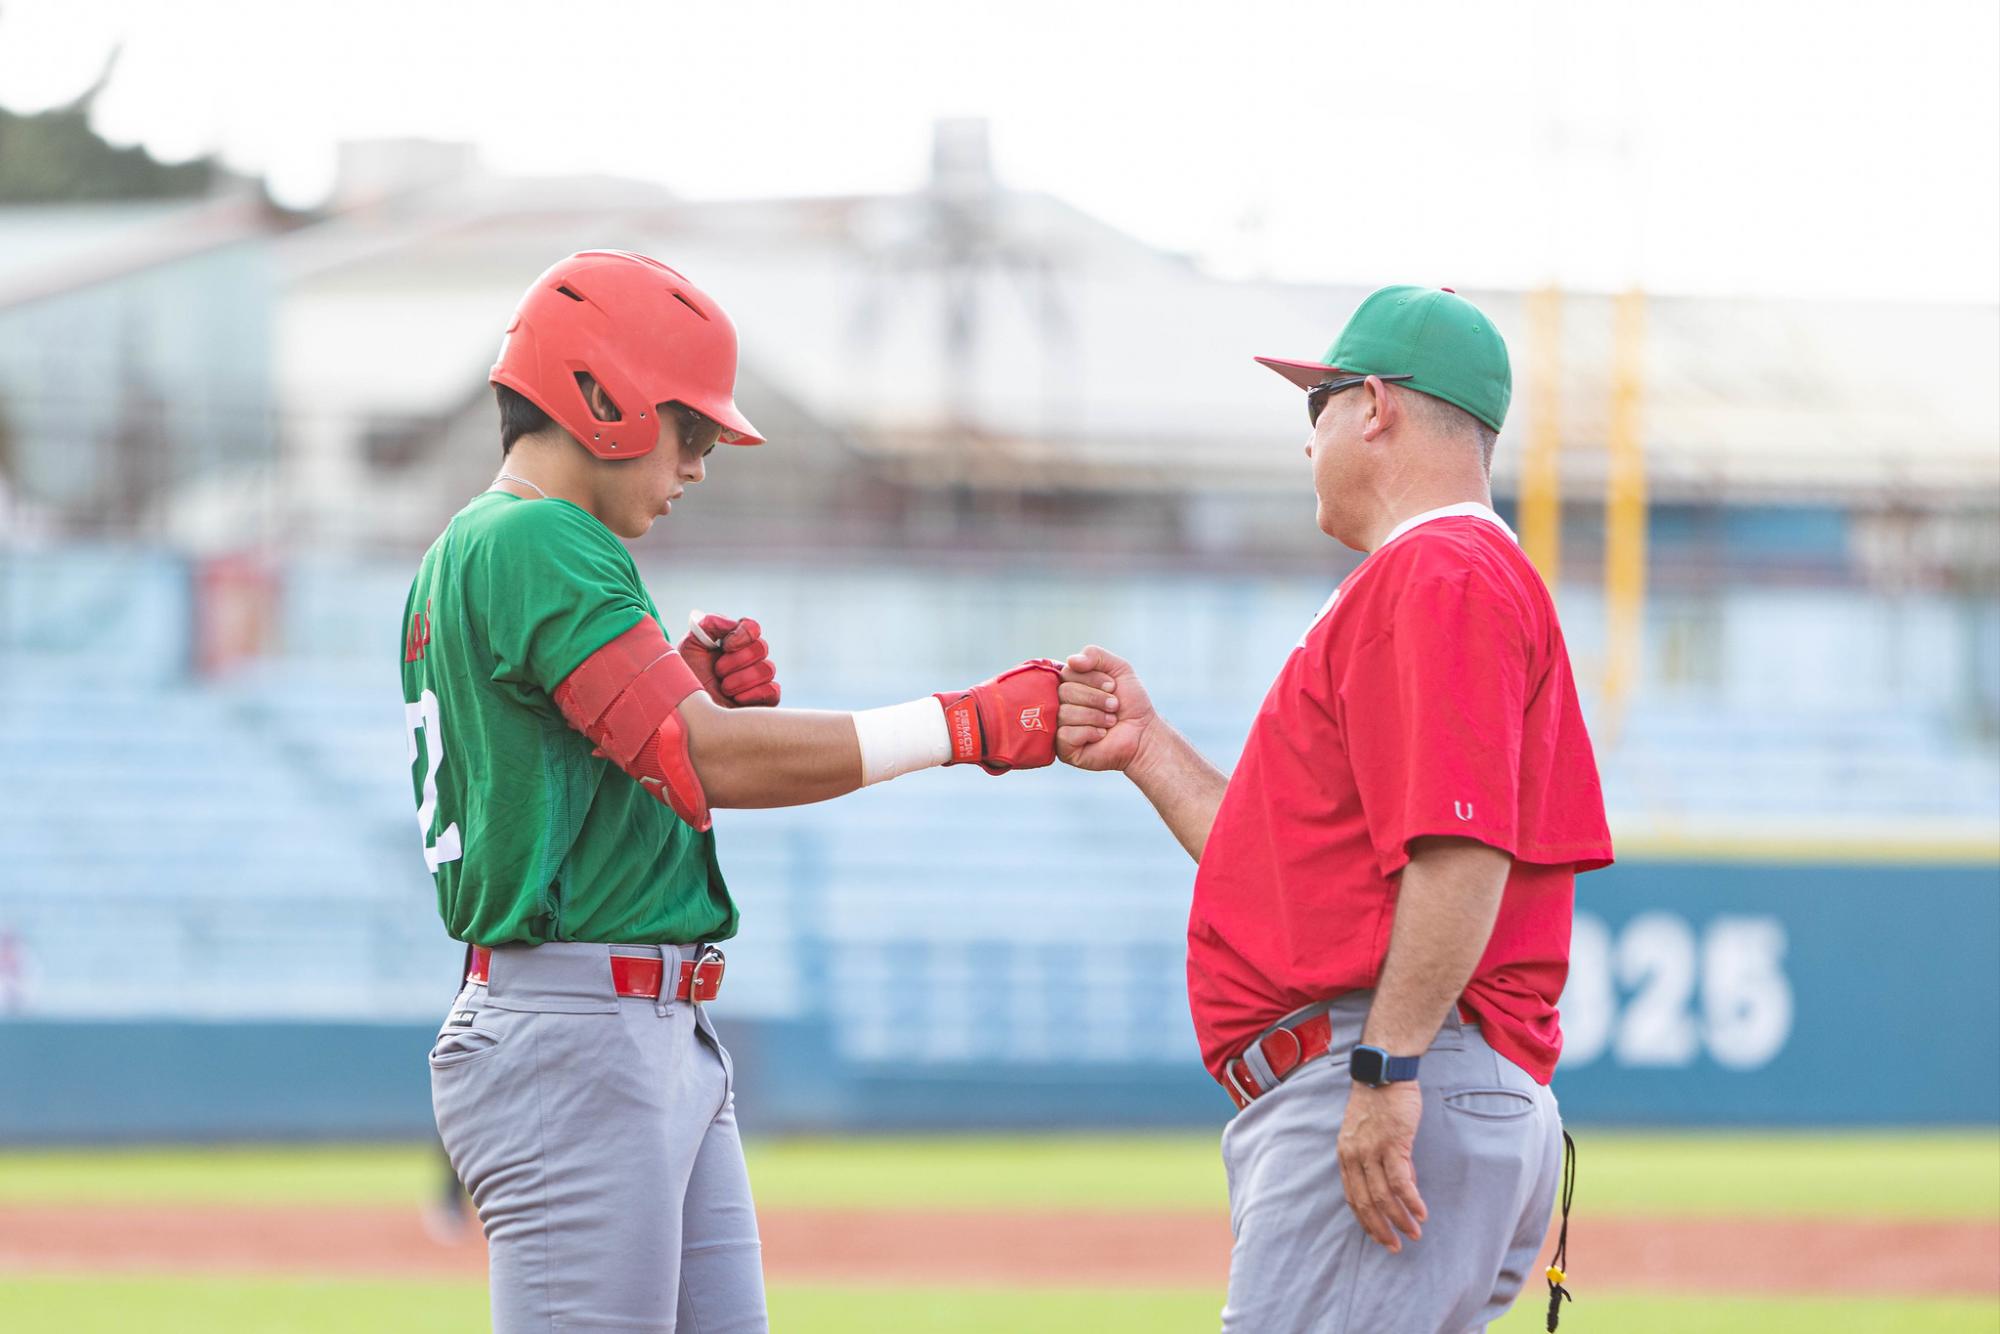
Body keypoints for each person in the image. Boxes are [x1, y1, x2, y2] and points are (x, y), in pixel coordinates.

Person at [400, 249, 1061, 1333]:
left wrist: (678, 688)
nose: (700, 460)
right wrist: (959, 724)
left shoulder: (481, 545)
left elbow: (586, 767)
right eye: (690, 427)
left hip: (623, 1021)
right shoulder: (537, 537)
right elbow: (703, 757)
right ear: (601, 397)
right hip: (579, 1026)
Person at [1055, 286, 1614, 1333]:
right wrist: (1147, 745)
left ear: (1371, 404)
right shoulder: (1444, 574)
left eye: (1312, 406)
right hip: (1435, 1071)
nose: (1304, 439)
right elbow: (1290, 870)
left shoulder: (1438, 568)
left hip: (1400, 1063)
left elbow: (1460, 847)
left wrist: (1386, 1067)